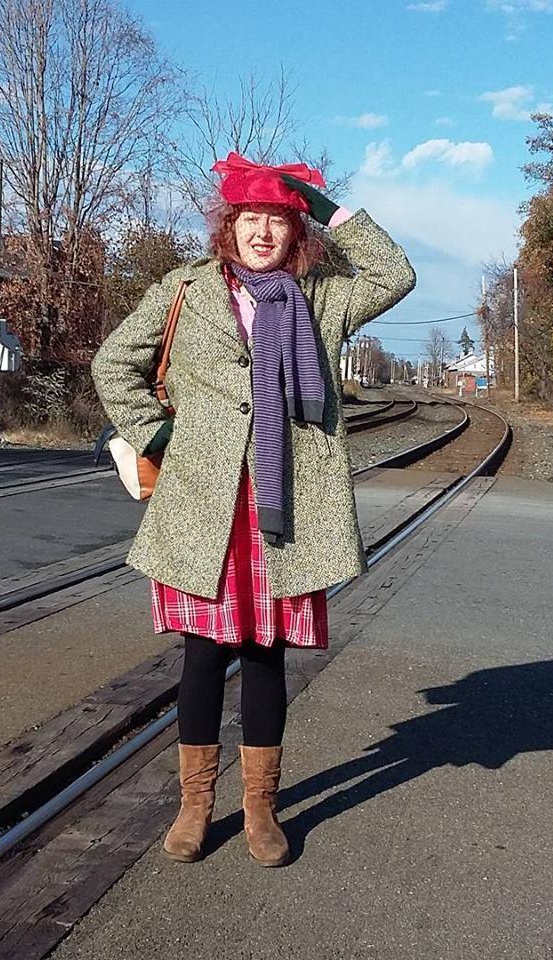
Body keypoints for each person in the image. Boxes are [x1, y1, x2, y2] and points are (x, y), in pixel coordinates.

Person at [91, 152, 415, 867]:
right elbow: (113, 362)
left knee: (266, 659)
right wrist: (156, 431)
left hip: (283, 510)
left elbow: (397, 275)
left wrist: (332, 211)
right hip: (203, 508)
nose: (263, 233)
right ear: (228, 227)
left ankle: (261, 808)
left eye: (278, 220)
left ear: (296, 233)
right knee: (202, 658)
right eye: (251, 219)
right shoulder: (184, 289)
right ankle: (194, 805)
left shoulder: (322, 296)